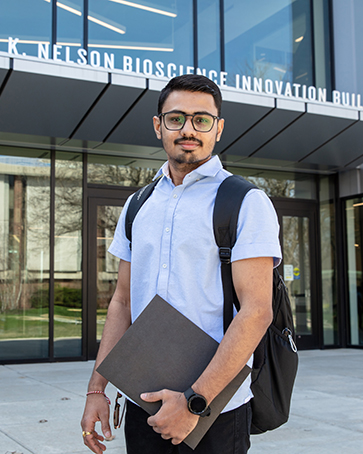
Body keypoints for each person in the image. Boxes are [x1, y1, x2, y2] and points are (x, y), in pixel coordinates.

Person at [81, 74, 282, 454]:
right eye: (176, 118)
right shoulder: (138, 204)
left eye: (201, 119)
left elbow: (257, 311)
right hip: (142, 398)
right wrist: (97, 389)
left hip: (214, 412)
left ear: (218, 128)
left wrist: (195, 403)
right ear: (159, 126)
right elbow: (122, 303)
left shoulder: (244, 201)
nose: (188, 129)